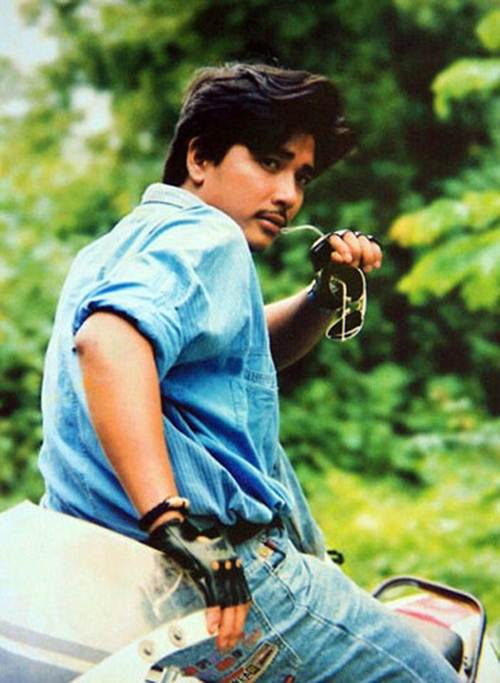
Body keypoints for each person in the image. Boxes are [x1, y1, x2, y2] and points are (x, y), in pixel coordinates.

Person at [38, 63, 459, 681]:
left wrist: (325, 295)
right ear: (199, 157)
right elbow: (109, 343)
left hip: (109, 585)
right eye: (269, 162)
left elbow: (240, 350)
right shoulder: (210, 237)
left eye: (301, 176)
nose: (289, 194)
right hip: (218, 574)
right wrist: (174, 523)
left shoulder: (117, 246)